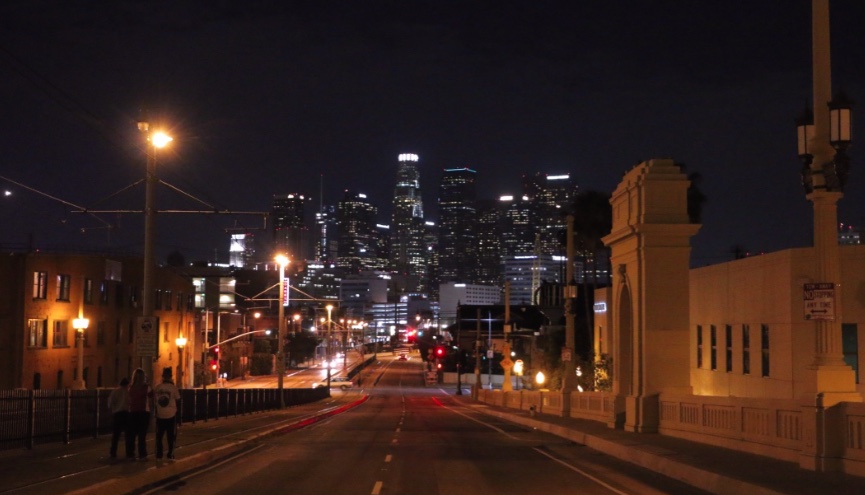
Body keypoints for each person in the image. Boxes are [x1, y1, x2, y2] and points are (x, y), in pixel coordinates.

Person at [153, 367, 181, 460]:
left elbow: (154, 400)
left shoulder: (158, 387)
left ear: (163, 377)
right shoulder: (173, 388)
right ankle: (170, 453)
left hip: (160, 415)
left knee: (159, 436)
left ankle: (159, 454)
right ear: (170, 376)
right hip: (171, 415)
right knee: (171, 436)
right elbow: (178, 400)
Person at [126, 368, 152, 461]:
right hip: (143, 412)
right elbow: (151, 396)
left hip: (132, 412)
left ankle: (130, 454)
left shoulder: (130, 387)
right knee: (142, 435)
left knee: (132, 435)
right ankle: (142, 454)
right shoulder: (147, 387)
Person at [107, 377, 129, 459]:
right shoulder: (128, 391)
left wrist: (112, 410)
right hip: (126, 414)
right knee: (128, 434)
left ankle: (113, 452)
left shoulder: (115, 392)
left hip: (117, 414)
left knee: (116, 435)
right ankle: (129, 452)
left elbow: (110, 403)